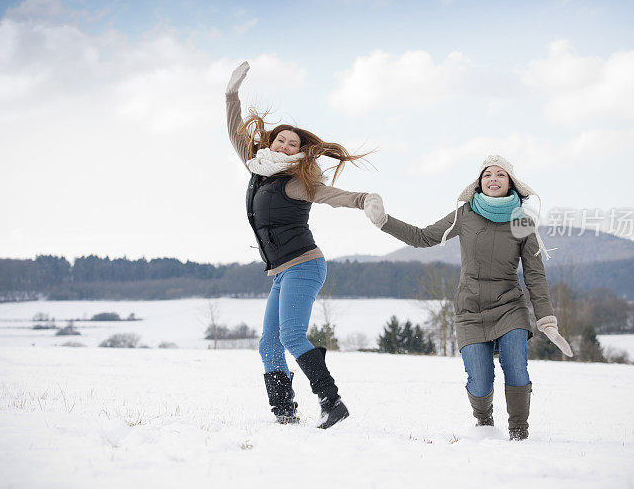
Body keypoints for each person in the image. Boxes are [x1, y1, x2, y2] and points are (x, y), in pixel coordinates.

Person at [363, 155, 572, 440]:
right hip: (470, 308)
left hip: (510, 304)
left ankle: (519, 433)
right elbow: (423, 237)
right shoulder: (465, 215)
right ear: (479, 182)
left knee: (516, 367)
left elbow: (534, 273)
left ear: (511, 183)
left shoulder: (522, 220)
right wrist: (384, 221)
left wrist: (545, 317)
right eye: (488, 174)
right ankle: (484, 422)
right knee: (480, 379)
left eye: (501, 174)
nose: (494, 179)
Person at [225, 61, 369, 429]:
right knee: (268, 345)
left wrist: (364, 199)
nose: (286, 146)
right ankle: (285, 413)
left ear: (299, 150)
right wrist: (230, 95)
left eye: (293, 143)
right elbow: (236, 135)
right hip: (281, 272)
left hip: (304, 265)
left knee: (290, 335)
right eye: (281, 140)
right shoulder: (258, 168)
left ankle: (331, 401)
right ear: (271, 143)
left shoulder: (298, 179)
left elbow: (330, 194)